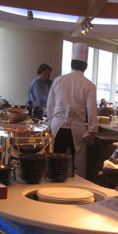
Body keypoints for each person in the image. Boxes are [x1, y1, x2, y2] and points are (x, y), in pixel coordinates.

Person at [47, 43, 98, 178]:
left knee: (55, 160)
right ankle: (78, 189)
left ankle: (53, 185)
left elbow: (50, 105)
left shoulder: (58, 80)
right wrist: (92, 130)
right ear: (85, 66)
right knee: (78, 162)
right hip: (77, 128)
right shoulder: (89, 85)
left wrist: (50, 123)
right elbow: (92, 109)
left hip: (57, 126)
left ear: (71, 64)